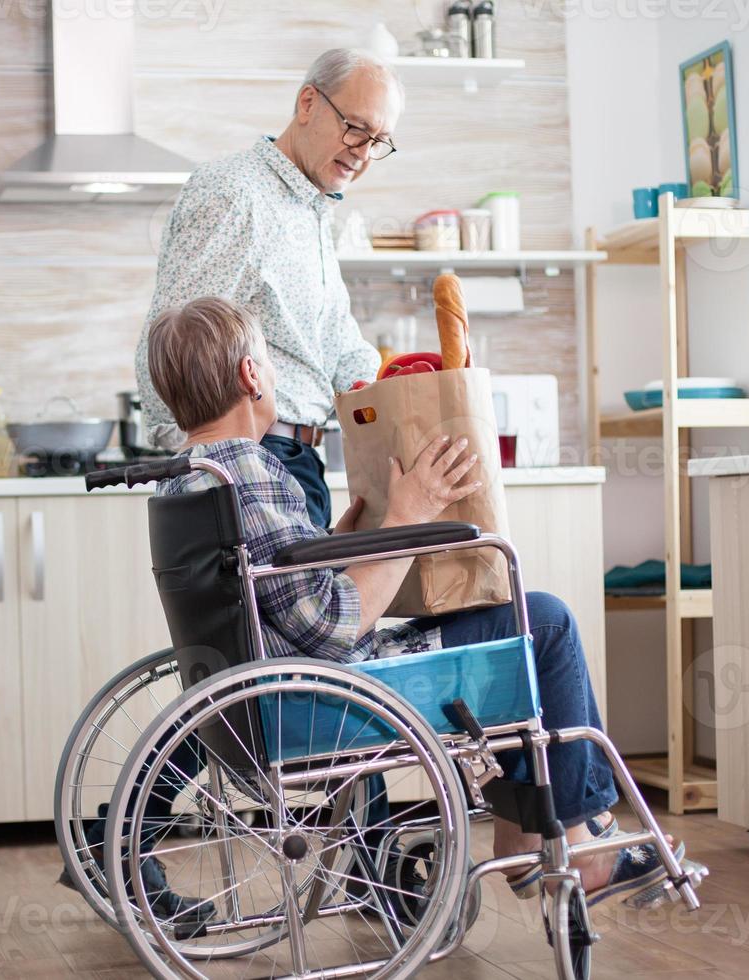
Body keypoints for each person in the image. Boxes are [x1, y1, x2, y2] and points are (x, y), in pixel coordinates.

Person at [146, 296, 688, 907]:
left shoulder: (191, 476)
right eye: (269, 362)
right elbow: (329, 629)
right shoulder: (255, 469)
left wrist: (342, 542)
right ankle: (575, 842)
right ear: (251, 375)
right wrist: (410, 514)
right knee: (545, 622)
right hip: (323, 698)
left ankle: (526, 831)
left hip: (258, 699)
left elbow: (266, 587)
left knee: (498, 626)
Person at [136, 47, 403, 529]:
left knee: (333, 605)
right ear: (308, 103)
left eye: (379, 140)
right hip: (255, 464)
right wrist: (201, 467)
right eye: (356, 129)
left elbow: (337, 346)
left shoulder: (310, 209)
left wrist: (405, 391)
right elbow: (169, 341)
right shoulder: (235, 194)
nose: (364, 153)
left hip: (298, 462)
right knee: (327, 607)